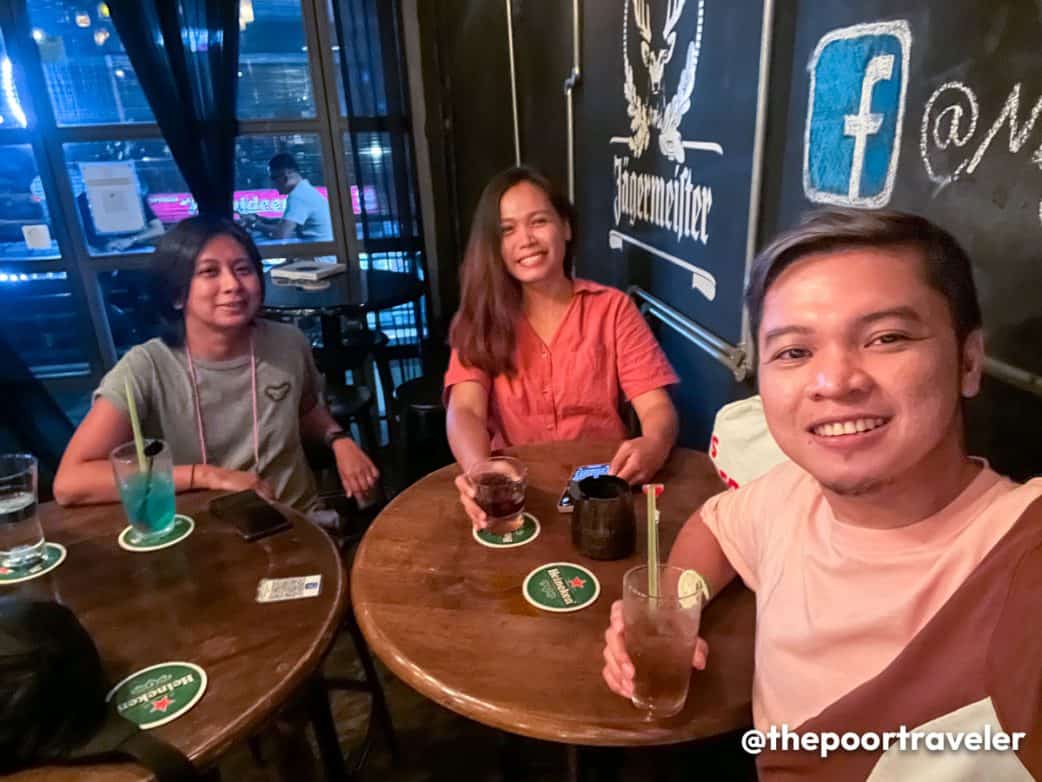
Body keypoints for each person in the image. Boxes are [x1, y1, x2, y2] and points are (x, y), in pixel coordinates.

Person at [601, 208, 1042, 779]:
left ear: (969, 361)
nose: (834, 382)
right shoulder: (790, 493)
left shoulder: (1020, 554)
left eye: (886, 338)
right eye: (793, 352)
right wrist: (670, 609)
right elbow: (714, 525)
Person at [53, 215, 378, 512]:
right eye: (209, 272)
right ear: (176, 295)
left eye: (243, 270)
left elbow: (305, 411)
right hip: (210, 536)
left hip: (300, 521)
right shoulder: (145, 368)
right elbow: (70, 483)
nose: (232, 285)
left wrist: (339, 440)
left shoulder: (288, 342)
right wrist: (207, 476)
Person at [445, 165, 680, 527]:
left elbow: (657, 408)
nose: (526, 239)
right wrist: (480, 470)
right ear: (494, 245)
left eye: (538, 221)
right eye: (507, 230)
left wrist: (654, 444)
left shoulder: (613, 309)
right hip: (518, 494)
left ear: (565, 228)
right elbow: (465, 410)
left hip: (603, 493)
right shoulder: (481, 318)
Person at [244, 153, 333, 242]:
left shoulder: (298, 196)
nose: (272, 184)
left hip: (318, 250)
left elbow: (281, 234)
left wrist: (254, 225)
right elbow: (288, 223)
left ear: (285, 176)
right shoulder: (304, 189)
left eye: (273, 178)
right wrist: (262, 220)